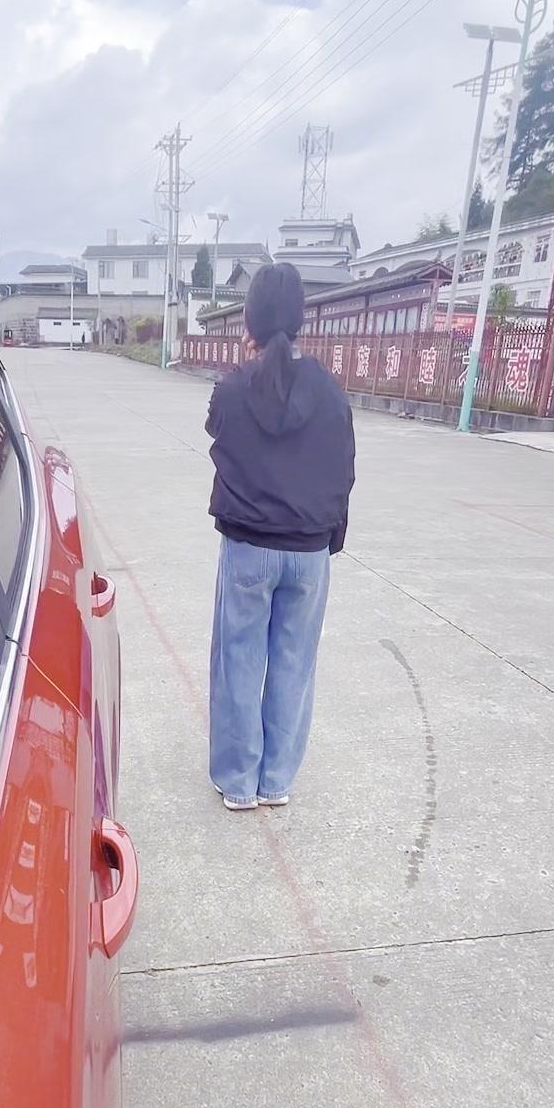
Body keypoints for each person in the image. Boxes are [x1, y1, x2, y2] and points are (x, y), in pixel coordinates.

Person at [206, 263, 355, 810]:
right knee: (294, 663)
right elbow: (343, 468)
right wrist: (329, 537)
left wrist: (246, 364)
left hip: (249, 546)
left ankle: (238, 783)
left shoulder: (232, 388)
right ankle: (276, 782)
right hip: (309, 551)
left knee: (239, 661)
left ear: (248, 320)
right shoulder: (330, 391)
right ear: (300, 320)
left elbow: (218, 430)